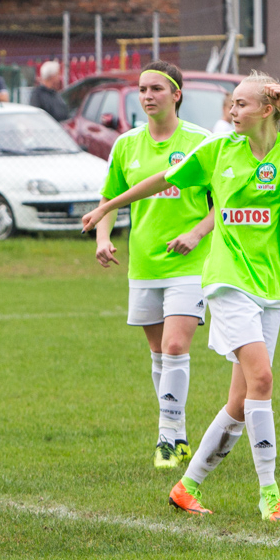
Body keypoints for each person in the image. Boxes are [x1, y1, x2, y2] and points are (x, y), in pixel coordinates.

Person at [84, 72, 280, 522]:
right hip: (226, 281)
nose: (232, 112)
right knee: (263, 379)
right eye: (231, 104)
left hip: (271, 285)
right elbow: (161, 179)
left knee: (241, 402)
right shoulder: (218, 150)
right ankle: (269, 493)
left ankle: (186, 485)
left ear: (267, 109)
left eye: (241, 105)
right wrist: (109, 206)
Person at [93, 63, 217, 468]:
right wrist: (103, 238)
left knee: (175, 346)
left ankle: (166, 438)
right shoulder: (127, 144)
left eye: (156, 89)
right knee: (159, 354)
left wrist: (196, 233)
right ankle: (178, 435)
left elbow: (225, 201)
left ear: (176, 94)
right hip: (144, 262)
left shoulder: (201, 142)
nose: (147, 96)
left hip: (189, 262)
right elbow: (109, 198)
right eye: (142, 89)